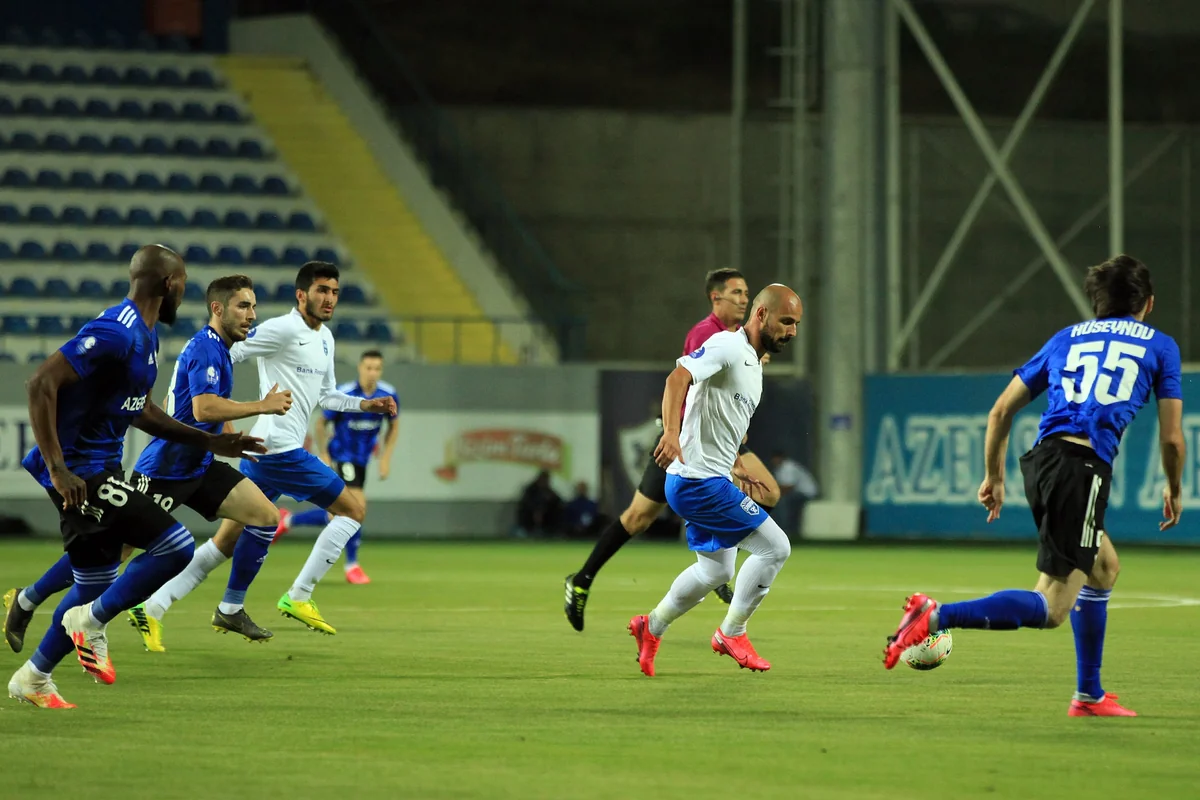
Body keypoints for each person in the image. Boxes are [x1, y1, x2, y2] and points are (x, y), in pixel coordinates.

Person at [881, 255, 1182, 718]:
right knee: (1053, 606)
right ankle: (935, 615)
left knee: (1103, 569)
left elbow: (1000, 411)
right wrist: (1174, 487)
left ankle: (1089, 695)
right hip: (1082, 469)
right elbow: (1172, 438)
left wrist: (994, 476)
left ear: (1096, 303)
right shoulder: (1160, 347)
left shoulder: (1067, 338)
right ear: (1149, 303)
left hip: (1043, 462)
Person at [4, 246, 265, 709]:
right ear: (170, 284)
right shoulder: (116, 331)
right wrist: (59, 468)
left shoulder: (146, 337)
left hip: (102, 468)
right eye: (183, 282)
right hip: (81, 473)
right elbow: (40, 383)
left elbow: (141, 411)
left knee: (94, 582)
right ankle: (87, 622)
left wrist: (211, 442)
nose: (184, 292)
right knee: (175, 546)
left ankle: (34, 675)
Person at [564, 269, 782, 631]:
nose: (743, 299)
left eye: (746, 293)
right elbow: (683, 381)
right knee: (638, 518)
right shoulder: (710, 335)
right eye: (736, 293)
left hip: (718, 445)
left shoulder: (745, 342)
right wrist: (672, 433)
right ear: (716, 298)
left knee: (767, 491)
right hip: (684, 442)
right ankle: (582, 580)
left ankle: (717, 560)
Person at [195, 261, 395, 636]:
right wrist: (223, 415)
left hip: (263, 451)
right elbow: (228, 353)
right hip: (279, 451)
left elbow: (327, 397)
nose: (330, 298)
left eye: (335, 292)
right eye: (322, 290)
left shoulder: (325, 338)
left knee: (227, 539)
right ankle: (299, 594)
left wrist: (366, 406)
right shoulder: (282, 328)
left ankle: (154, 604)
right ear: (302, 294)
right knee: (352, 510)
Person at [629, 284, 802, 677]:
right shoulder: (727, 346)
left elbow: (720, 420)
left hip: (708, 476)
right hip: (697, 482)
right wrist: (670, 433)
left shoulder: (754, 365)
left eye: (796, 325)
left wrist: (734, 464)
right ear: (761, 315)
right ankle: (732, 632)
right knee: (775, 548)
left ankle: (650, 626)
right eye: (786, 321)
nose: (791, 331)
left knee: (716, 572)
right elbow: (678, 379)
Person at [123, 275, 296, 651]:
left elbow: (213, 408)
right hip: (164, 470)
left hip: (199, 467)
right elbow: (204, 408)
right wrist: (262, 405)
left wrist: (232, 439)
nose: (251, 314)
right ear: (218, 309)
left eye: (253, 306)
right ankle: (32, 598)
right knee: (111, 555)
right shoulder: (205, 347)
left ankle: (231, 607)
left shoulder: (220, 348)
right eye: (243, 306)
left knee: (266, 517)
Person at [273, 349, 399, 584]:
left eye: (377, 368)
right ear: (360, 368)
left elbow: (394, 425)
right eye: (368, 367)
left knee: (339, 514)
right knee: (356, 508)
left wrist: (385, 458)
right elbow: (321, 424)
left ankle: (287, 521)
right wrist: (324, 453)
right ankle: (352, 565)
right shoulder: (346, 393)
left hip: (361, 461)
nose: (372, 373)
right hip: (343, 456)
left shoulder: (388, 394)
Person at [769, 451, 819, 535]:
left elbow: (788, 487)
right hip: (796, 492)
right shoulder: (779, 468)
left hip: (806, 493)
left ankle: (786, 528)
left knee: (783, 502)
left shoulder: (788, 467)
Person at [515, 470, 563, 538]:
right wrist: (537, 511)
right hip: (530, 516)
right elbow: (527, 503)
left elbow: (558, 502)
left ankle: (552, 532)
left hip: (546, 518)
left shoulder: (549, 491)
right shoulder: (530, 490)